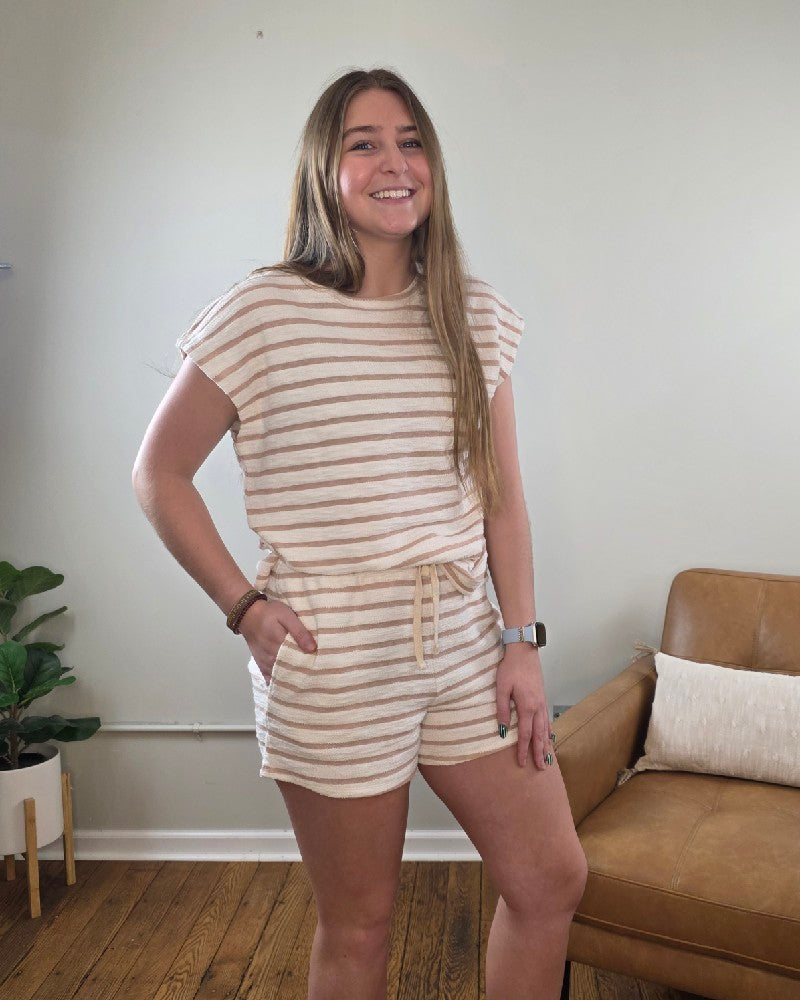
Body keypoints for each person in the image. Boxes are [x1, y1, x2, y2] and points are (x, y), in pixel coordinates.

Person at [132, 66, 587, 1000]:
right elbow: (159, 474)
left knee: (550, 880)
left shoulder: (474, 314)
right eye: (365, 144)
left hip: (463, 639)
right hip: (331, 656)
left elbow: (502, 495)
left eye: (411, 142)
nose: (395, 163)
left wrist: (522, 643)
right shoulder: (263, 312)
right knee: (360, 925)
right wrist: (243, 607)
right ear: (323, 169)